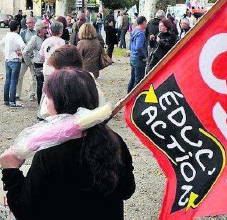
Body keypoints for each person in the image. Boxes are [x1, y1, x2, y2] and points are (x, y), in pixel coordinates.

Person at [0, 68, 136, 220]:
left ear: (59, 102)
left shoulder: (49, 155)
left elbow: (26, 212)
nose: (45, 102)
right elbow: (127, 190)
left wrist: (10, 171)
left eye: (48, 97)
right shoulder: (114, 141)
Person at [37, 45, 106, 121]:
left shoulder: (62, 83)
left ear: (67, 69)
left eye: (56, 68)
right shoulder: (90, 80)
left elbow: (44, 112)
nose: (54, 72)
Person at [0, 20, 25, 108]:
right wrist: (20, 52)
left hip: (8, 60)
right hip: (15, 60)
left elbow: (1, 44)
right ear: (17, 27)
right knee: (14, 81)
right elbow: (23, 45)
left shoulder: (7, 35)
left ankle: (6, 100)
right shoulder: (17, 36)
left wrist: (6, 52)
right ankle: (12, 102)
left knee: (7, 80)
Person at [23, 20, 48, 105]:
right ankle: (40, 104)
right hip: (38, 64)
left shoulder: (47, 38)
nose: (47, 28)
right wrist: (30, 63)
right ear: (40, 29)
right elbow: (25, 52)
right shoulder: (34, 39)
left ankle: (46, 104)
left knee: (48, 84)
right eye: (45, 27)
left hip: (47, 64)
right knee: (40, 84)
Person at [16, 16, 37, 101]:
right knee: (20, 75)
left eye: (30, 23)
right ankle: (17, 94)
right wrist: (20, 51)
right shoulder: (23, 33)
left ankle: (32, 94)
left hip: (33, 58)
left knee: (34, 77)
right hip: (24, 58)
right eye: (27, 23)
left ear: (34, 23)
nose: (28, 25)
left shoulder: (37, 33)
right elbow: (19, 43)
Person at [127, 15, 148, 93]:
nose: (146, 25)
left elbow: (131, 44)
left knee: (133, 77)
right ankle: (135, 98)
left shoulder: (134, 30)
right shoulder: (141, 34)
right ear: (143, 23)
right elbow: (138, 47)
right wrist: (143, 56)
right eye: (145, 23)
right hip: (139, 58)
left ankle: (128, 95)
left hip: (133, 57)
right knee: (138, 80)